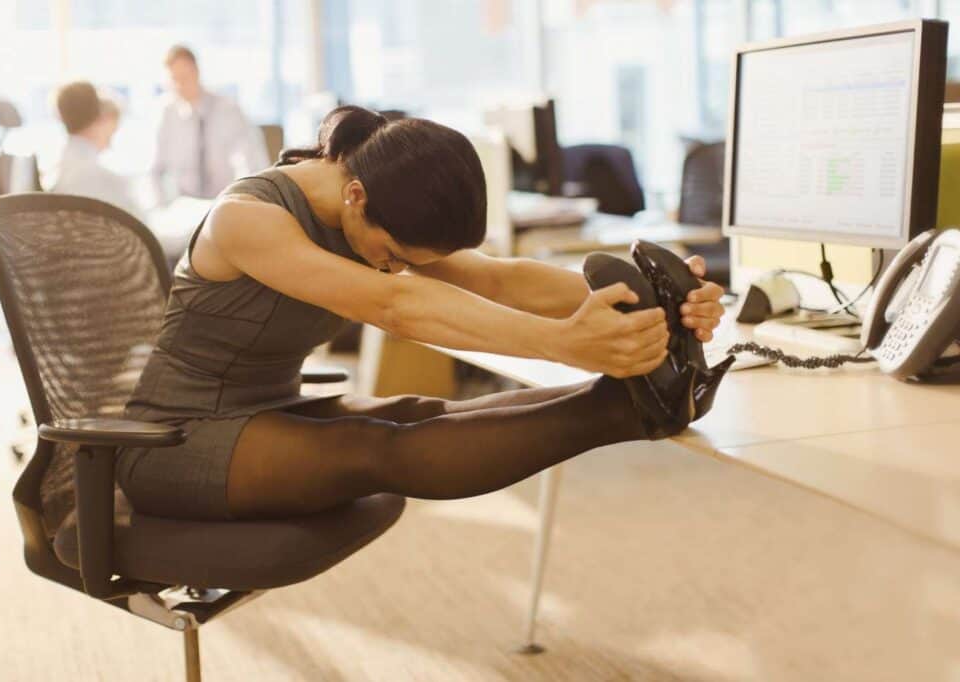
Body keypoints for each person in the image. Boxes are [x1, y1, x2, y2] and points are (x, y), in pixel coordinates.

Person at [118, 106, 726, 521]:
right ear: (354, 196)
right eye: (392, 256)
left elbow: (497, 278)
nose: (392, 267)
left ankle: (629, 402)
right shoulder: (247, 218)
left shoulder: (374, 207)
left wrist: (656, 302)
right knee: (375, 449)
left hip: (270, 406)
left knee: (421, 413)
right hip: (174, 438)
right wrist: (564, 343)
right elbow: (394, 304)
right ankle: (627, 411)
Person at [150, 44, 270, 204]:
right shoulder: (165, 114)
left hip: (226, 201)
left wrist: (242, 200)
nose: (180, 85)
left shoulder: (229, 110)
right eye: (174, 79)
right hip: (184, 204)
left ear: (197, 72)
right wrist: (161, 206)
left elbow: (252, 162)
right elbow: (154, 170)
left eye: (184, 77)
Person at [49, 81, 143, 219]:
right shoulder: (105, 179)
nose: (112, 137)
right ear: (100, 120)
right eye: (114, 128)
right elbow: (147, 235)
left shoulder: (55, 173)